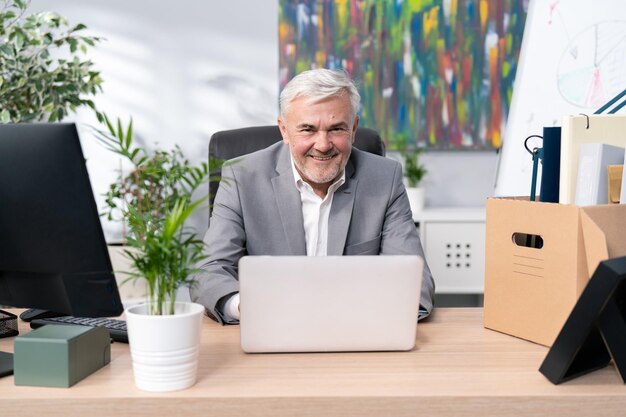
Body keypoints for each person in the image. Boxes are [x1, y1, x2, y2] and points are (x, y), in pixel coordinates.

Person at [191, 68, 435, 324]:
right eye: (307, 129)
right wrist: (248, 307)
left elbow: (415, 281)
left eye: (336, 129)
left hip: (356, 331)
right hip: (272, 327)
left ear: (353, 128)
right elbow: (208, 273)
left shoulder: (385, 178)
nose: (322, 144)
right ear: (284, 130)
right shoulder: (241, 177)